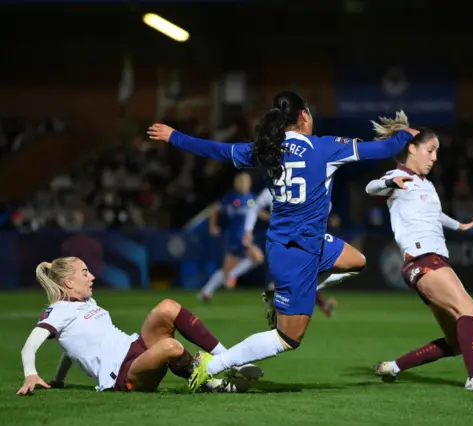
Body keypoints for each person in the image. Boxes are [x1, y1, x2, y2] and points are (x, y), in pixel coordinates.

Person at [147, 91, 419, 393]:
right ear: (304, 116)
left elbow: (218, 151)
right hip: (298, 253)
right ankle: (208, 367)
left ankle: (280, 299)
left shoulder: (268, 150)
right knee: (288, 339)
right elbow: (382, 149)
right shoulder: (325, 148)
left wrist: (176, 137)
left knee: (357, 261)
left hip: (295, 244)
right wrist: (406, 135)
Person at [363, 112, 473, 392]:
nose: (435, 157)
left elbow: (435, 214)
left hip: (431, 260)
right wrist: (390, 183)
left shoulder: (427, 184)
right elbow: (371, 187)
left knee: (455, 343)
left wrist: (458, 225)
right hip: (422, 260)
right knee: (467, 307)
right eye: (431, 149)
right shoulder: (399, 175)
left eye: (437, 151)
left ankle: (395, 367)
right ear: (412, 148)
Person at [17, 257, 263, 395]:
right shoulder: (58, 311)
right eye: (85, 273)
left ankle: (230, 359)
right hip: (122, 374)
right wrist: (31, 373)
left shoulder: (87, 301)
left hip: (135, 347)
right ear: (69, 282)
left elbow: (72, 347)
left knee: (167, 306)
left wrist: (59, 379)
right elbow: (29, 346)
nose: (91, 277)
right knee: (170, 346)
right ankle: (211, 384)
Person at [245, 187, 364, 323]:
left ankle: (279, 319)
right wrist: (248, 231)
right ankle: (279, 319)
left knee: (296, 278)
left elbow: (327, 205)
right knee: (285, 281)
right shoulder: (275, 188)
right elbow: (255, 207)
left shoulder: (300, 185)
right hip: (284, 240)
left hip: (297, 240)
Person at [198, 172, 265, 302]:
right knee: (257, 257)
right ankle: (232, 276)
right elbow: (214, 208)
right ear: (236, 184)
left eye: (246, 181)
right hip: (236, 235)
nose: (244, 184)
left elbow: (258, 212)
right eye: (241, 181)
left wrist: (272, 218)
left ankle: (206, 292)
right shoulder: (231, 198)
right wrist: (213, 226)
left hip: (243, 236)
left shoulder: (251, 198)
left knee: (227, 267)